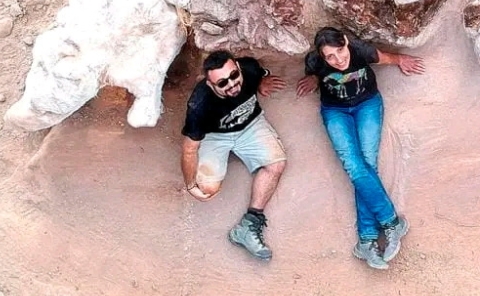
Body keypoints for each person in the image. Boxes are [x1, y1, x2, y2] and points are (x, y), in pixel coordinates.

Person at [297, 27, 424, 270]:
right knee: (354, 167)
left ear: (345, 42)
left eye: (340, 51)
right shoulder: (314, 61)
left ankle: (366, 240)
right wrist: (314, 78)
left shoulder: (359, 50)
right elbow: (314, 73)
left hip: (367, 105)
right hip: (335, 111)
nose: (338, 59)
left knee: (367, 163)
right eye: (330, 57)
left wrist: (401, 61)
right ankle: (390, 222)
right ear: (322, 57)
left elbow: (385, 57)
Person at [181, 51, 287, 260]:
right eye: (222, 83)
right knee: (207, 190)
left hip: (251, 125)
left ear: (238, 67)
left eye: (233, 76)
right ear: (210, 85)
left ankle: (248, 226)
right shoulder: (199, 104)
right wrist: (190, 184)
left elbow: (260, 72)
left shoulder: (249, 68)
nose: (231, 84)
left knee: (277, 165)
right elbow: (189, 149)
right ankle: (203, 180)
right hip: (215, 136)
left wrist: (261, 83)